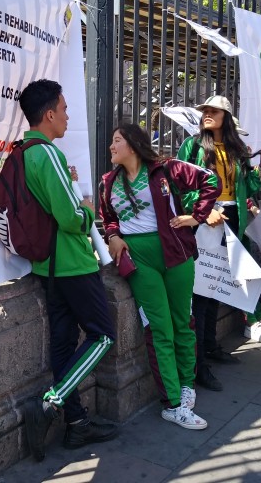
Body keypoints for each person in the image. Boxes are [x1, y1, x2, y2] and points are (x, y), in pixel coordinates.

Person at [17, 79, 118, 461]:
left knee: (62, 345)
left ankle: (76, 425)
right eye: (64, 109)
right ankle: (50, 404)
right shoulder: (47, 154)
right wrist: (89, 205)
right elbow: (72, 217)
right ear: (49, 114)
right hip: (73, 263)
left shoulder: (24, 152)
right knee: (104, 336)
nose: (67, 116)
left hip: (47, 266)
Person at [100, 123, 218, 429]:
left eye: (116, 140)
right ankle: (173, 404)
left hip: (176, 254)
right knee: (159, 328)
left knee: (183, 323)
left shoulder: (166, 169)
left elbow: (211, 181)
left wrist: (197, 216)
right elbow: (108, 218)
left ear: (133, 144)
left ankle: (187, 384)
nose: (111, 147)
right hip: (139, 260)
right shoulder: (108, 182)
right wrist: (112, 235)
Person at [177, 95, 261, 389]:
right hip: (205, 220)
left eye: (213, 111)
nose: (206, 114)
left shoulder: (236, 149)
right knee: (201, 291)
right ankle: (198, 364)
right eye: (205, 111)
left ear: (226, 117)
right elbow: (180, 186)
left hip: (232, 219)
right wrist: (204, 211)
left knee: (218, 286)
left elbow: (251, 186)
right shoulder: (193, 146)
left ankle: (210, 347)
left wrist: (260, 164)